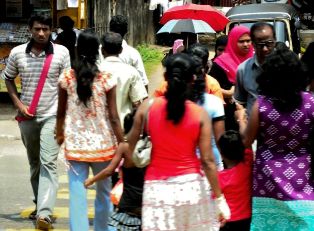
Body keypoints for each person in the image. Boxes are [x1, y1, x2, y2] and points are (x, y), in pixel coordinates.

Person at [118, 53, 230, 230]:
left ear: (165, 78)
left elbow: (129, 151)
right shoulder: (199, 114)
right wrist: (220, 199)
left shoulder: (147, 108)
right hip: (192, 188)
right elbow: (208, 162)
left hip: (157, 190)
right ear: (193, 79)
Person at [2, 15, 71, 229]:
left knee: (49, 163)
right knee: (34, 164)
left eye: (46, 29)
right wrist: (18, 104)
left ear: (52, 31)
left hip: (51, 115)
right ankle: (40, 203)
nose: (41, 33)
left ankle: (44, 213)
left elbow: (67, 84)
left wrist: (64, 118)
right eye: (37, 29)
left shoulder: (62, 53)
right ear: (30, 30)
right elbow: (8, 78)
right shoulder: (16, 53)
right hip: (27, 118)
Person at [235, 47, 314, 230]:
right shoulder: (310, 103)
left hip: (268, 177)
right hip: (303, 173)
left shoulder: (261, 105)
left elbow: (246, 142)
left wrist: (240, 120)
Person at [55, 31, 124, 231]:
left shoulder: (67, 78)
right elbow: (113, 116)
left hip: (75, 145)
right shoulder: (106, 78)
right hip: (104, 144)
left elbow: (60, 113)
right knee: (104, 193)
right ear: (98, 52)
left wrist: (60, 135)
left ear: (76, 50)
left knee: (77, 195)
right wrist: (123, 142)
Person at [84, 109, 145, 231]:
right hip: (146, 208)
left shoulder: (124, 147)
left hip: (127, 207)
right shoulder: (149, 146)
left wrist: (92, 180)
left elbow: (109, 171)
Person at [187, 44, 225, 170]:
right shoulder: (214, 99)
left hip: (184, 162)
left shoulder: (171, 93)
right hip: (210, 159)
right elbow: (219, 135)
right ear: (206, 67)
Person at [210, 26, 253, 130]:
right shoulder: (220, 63)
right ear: (233, 42)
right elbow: (210, 87)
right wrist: (229, 93)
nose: (246, 44)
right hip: (229, 115)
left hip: (253, 113)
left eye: (248, 41)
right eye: (241, 41)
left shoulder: (255, 61)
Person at [99, 32, 147, 124]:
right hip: (124, 128)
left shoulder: (96, 72)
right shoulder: (131, 72)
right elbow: (137, 103)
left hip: (101, 130)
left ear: (102, 50)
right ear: (121, 50)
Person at [154, 43, 224, 102]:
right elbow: (218, 110)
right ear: (206, 65)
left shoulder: (170, 82)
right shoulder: (213, 84)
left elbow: (152, 107)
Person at [233, 22, 276, 116]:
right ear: (253, 44)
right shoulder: (243, 69)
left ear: (275, 41)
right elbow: (240, 102)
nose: (265, 49)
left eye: (269, 43)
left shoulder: (287, 66)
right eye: (260, 44)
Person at [217, 130, 253, 231]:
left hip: (227, 221)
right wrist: (241, 119)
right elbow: (247, 143)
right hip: (247, 219)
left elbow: (214, 199)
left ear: (221, 153)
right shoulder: (247, 165)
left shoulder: (219, 178)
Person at [108, 15, 149, 90]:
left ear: (110, 29)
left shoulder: (100, 51)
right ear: (126, 31)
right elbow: (144, 83)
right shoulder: (133, 54)